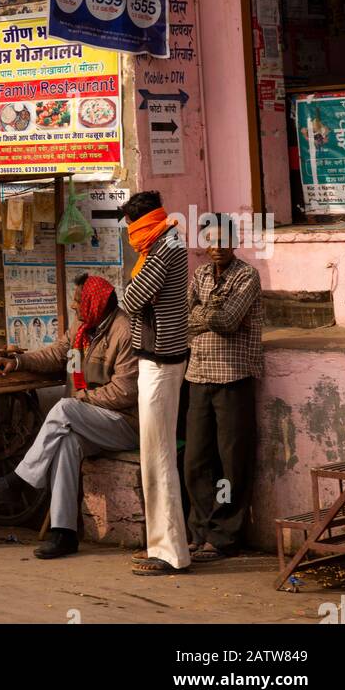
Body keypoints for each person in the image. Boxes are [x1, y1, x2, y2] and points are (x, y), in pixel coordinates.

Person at [0, 274, 139, 559]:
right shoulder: (82, 328)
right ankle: (64, 534)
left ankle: (19, 482)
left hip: (123, 423)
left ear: (93, 303)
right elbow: (56, 353)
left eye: (78, 302)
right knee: (66, 445)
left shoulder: (124, 331)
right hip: (92, 419)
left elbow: (124, 392)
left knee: (65, 408)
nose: (74, 307)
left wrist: (81, 401)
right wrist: (17, 362)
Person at [185, 213, 263, 560]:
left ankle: (225, 535)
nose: (217, 247)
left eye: (223, 240)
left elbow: (229, 321)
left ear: (234, 242)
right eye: (211, 240)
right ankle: (200, 530)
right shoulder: (199, 274)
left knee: (232, 461)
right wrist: (206, 314)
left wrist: (204, 314)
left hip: (233, 377)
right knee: (196, 459)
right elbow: (185, 322)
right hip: (198, 375)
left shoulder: (247, 275)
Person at [121, 190, 190, 576]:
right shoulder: (167, 240)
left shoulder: (162, 247)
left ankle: (169, 552)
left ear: (142, 223)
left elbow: (132, 300)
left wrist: (127, 290)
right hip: (163, 360)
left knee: (158, 457)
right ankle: (163, 546)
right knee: (157, 455)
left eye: (132, 226)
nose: (130, 235)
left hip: (160, 363)